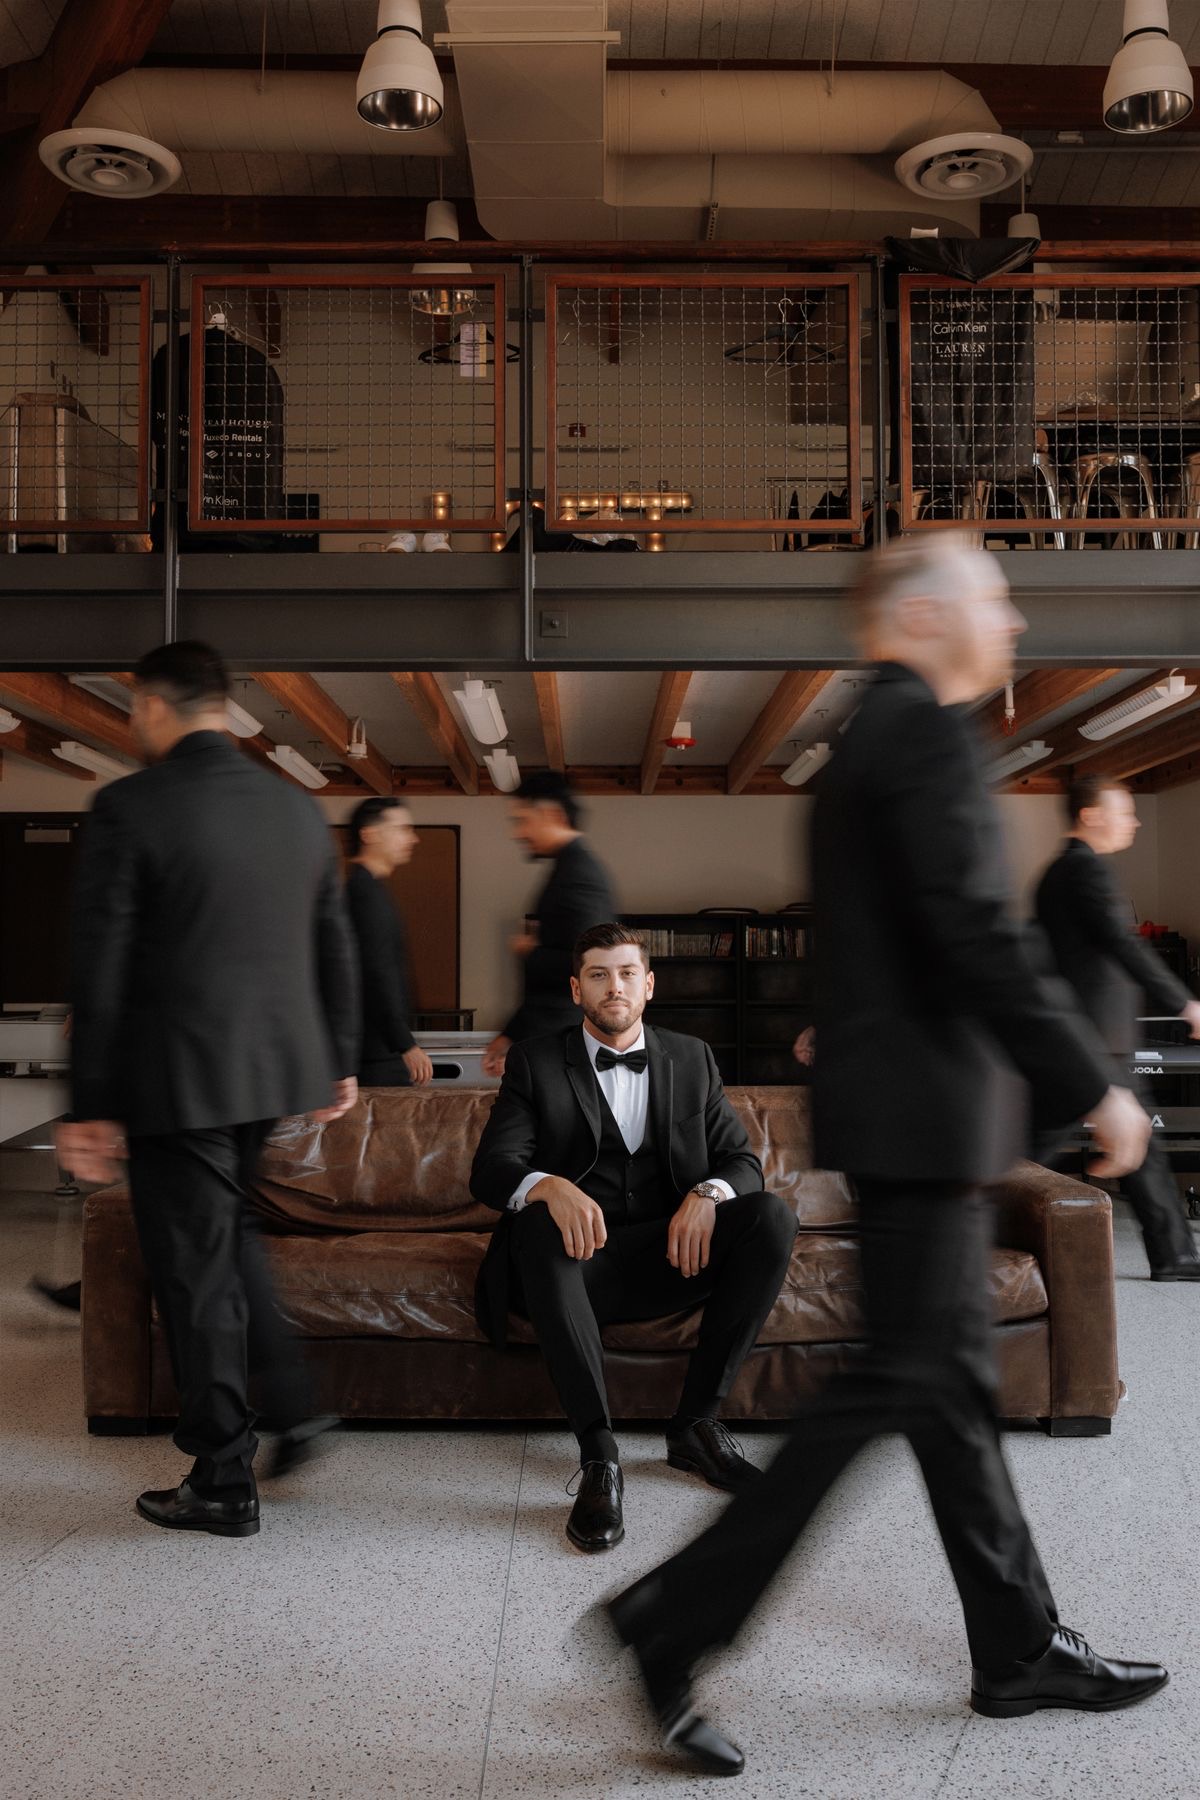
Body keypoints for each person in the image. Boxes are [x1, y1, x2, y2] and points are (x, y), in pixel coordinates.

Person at [601, 538, 1165, 1777]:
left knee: (948, 1398)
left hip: (918, 1119)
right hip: (920, 1125)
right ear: (919, 615)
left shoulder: (886, 736)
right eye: (992, 597)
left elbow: (912, 942)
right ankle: (666, 1621)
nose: (1013, 618)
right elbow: (975, 939)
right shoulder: (915, 734)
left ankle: (1018, 1649)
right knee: (888, 1390)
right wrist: (1093, 1084)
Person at [58, 641, 361, 1540]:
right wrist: (338, 1056)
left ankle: (223, 1477)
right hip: (267, 1073)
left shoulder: (129, 806)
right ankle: (296, 1410)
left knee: (193, 1276)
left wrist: (87, 1102)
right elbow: (330, 940)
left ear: (153, 706)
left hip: (176, 1078)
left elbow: (100, 968)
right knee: (224, 1247)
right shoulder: (295, 809)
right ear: (223, 708)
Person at [471, 922, 796, 1554]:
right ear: (575, 989)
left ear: (648, 985)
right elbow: (492, 1169)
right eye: (598, 974)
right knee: (536, 1221)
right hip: (571, 1268)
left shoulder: (691, 1056)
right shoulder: (535, 1062)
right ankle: (599, 1460)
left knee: (771, 1216)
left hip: (670, 1260)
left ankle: (697, 1427)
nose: (613, 987)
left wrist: (707, 1196)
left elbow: (742, 1163)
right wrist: (549, 1186)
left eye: (626, 974)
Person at [1035, 774, 1200, 1280]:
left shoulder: (1060, 872)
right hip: (1093, 1040)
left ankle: (1175, 1256)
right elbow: (1123, 945)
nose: (1135, 819)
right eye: (1124, 810)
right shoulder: (1085, 871)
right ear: (1090, 815)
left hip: (1084, 1035)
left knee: (1130, 1140)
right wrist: (1185, 1003)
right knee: (1038, 1144)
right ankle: (1175, 1256)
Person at [481, 772, 616, 1078]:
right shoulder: (568, 867)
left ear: (551, 814)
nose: (518, 833)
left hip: (563, 1048)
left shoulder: (578, 874)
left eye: (522, 820)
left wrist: (530, 952)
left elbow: (592, 965)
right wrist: (510, 1034)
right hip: (554, 1043)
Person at [344, 796, 433, 1088]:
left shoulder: (370, 890)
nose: (413, 838)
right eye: (402, 829)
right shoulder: (364, 894)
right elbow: (375, 973)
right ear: (368, 834)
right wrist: (405, 1044)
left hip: (379, 1049)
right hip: (375, 1054)